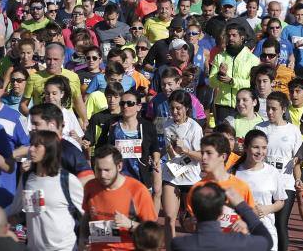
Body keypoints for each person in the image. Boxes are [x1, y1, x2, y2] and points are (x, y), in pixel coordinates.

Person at [8, 130, 83, 251]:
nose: (31, 149)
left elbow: (85, 215)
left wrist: (83, 241)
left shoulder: (67, 180)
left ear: (49, 150)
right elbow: (14, 211)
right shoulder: (26, 178)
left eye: (37, 145)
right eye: (31, 144)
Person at [78, 145, 157, 250]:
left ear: (119, 167)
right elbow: (87, 216)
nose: (102, 175)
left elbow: (153, 231)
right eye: (98, 169)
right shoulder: (91, 186)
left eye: (107, 170)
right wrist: (82, 237)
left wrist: (130, 224)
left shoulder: (138, 190)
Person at [253, 92, 302, 251]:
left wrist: (298, 180)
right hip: (263, 185)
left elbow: (297, 160)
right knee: (263, 223)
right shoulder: (260, 128)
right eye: (268, 108)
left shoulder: (293, 131)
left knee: (280, 223)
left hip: (285, 184)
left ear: (283, 109)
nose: (270, 112)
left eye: (274, 109)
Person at [173, 182, 273, 251]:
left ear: (194, 211)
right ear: (221, 212)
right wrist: (242, 206)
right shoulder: (239, 242)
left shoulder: (180, 244)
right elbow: (267, 240)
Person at [231, 129, 287, 251]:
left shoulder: (272, 172)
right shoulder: (234, 172)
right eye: (256, 147)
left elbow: (280, 201)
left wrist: (267, 209)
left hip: (266, 230)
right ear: (245, 148)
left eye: (264, 148)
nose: (260, 152)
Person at [160, 89, 203, 239]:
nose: (175, 112)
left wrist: (185, 150)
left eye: (178, 108)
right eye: (172, 108)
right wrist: (171, 151)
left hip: (191, 177)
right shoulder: (166, 125)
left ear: (186, 108)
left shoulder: (195, 128)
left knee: (194, 224)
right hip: (172, 175)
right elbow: (171, 154)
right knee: (169, 219)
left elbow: (201, 156)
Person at [209, 23, 260, 125]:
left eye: (234, 35)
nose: (230, 38)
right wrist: (219, 75)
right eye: (228, 35)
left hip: (244, 104)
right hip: (223, 105)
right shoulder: (219, 57)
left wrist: (232, 81)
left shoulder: (252, 59)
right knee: (223, 138)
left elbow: (253, 84)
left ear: (242, 38)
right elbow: (211, 83)